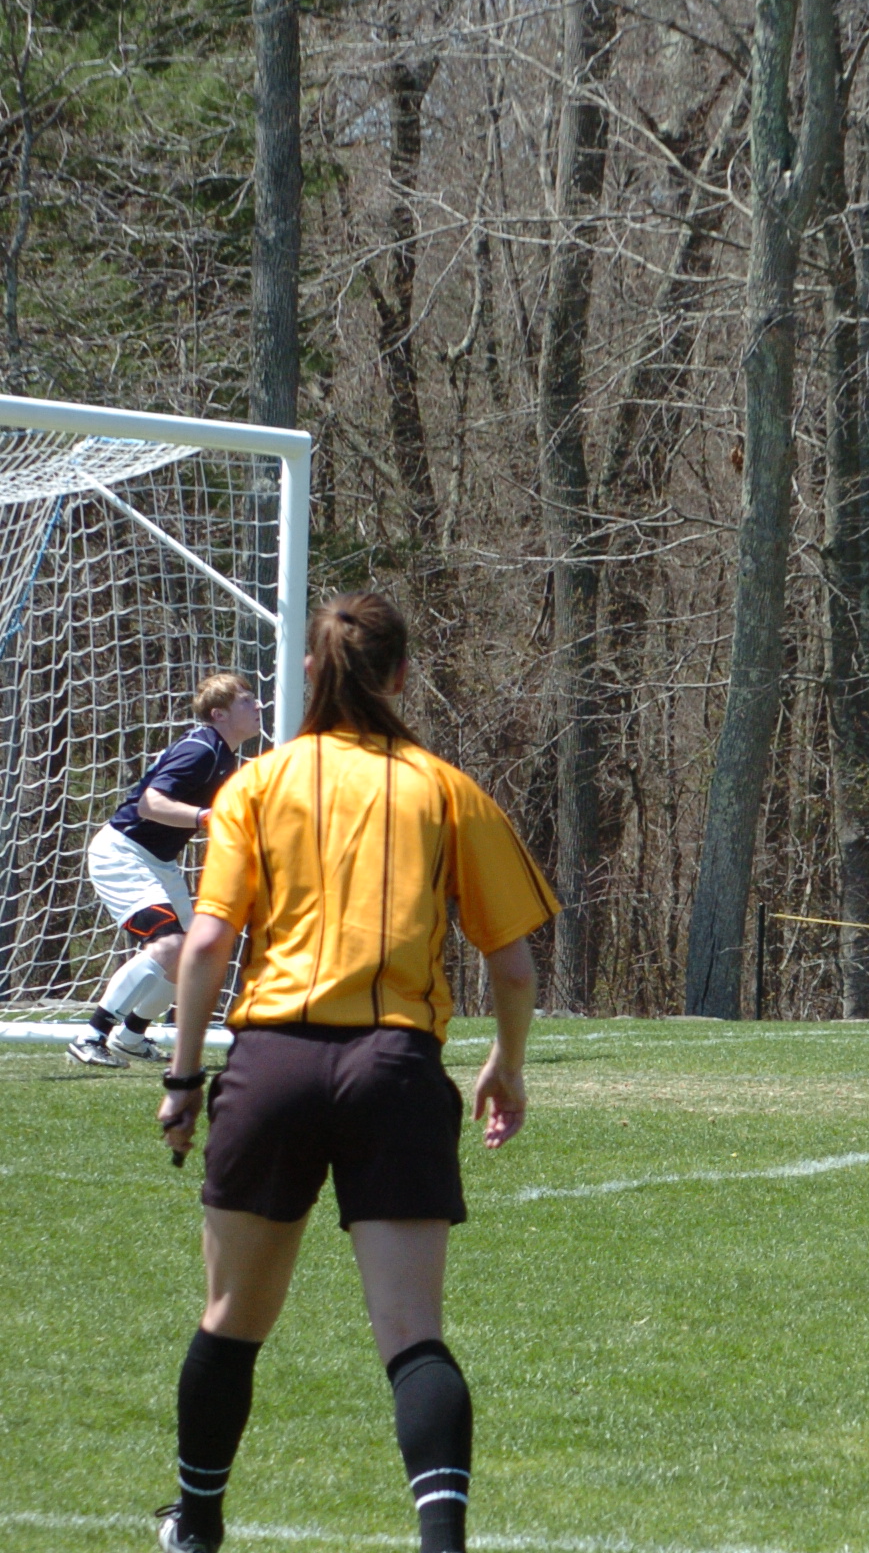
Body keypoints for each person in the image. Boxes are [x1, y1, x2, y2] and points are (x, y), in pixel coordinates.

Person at [152, 593, 558, 1553]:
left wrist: (182, 1079)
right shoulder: (445, 790)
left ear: (310, 673)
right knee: (412, 1334)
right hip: (395, 1069)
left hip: (273, 1065)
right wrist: (507, 1065)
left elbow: (206, 945)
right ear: (402, 676)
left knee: (231, 1319)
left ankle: (197, 1525)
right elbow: (512, 966)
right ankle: (442, 1543)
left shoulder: (256, 786)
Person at [70, 675, 263, 1067]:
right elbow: (150, 804)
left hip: (158, 861)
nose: (258, 706)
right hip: (123, 853)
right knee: (170, 945)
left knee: (194, 953)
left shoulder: (221, 754)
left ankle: (131, 1036)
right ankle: (91, 1035)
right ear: (219, 714)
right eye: (247, 700)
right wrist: (206, 817)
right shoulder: (201, 750)